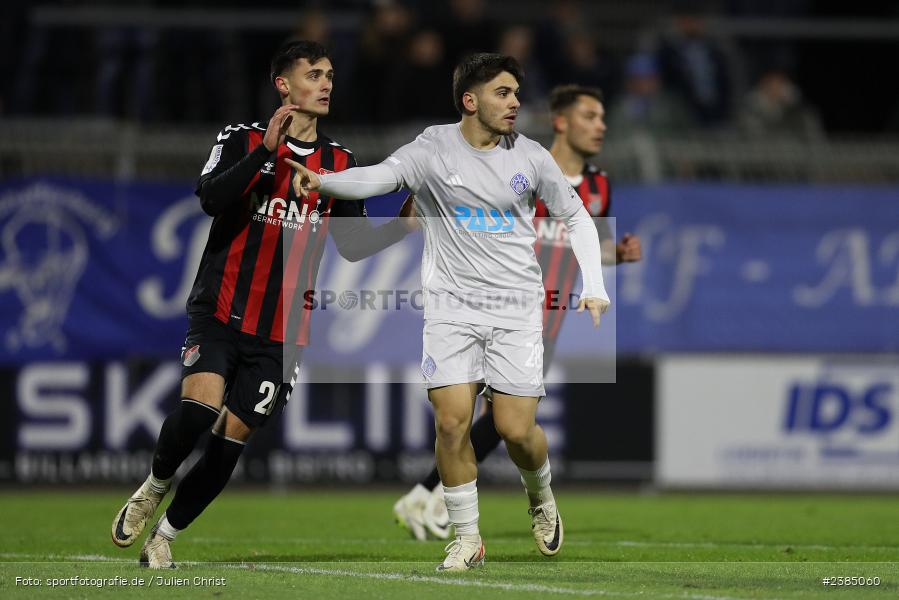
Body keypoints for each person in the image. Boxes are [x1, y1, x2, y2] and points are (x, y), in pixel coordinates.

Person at [286, 53, 611, 572]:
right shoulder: (432, 149)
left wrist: (593, 284)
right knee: (452, 423)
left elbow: (577, 216)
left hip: (515, 310)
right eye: (502, 93)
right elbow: (378, 178)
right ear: (470, 100)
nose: (513, 103)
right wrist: (323, 181)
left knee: (514, 430)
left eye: (515, 93)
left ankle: (541, 496)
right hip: (450, 310)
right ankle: (466, 538)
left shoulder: (528, 156)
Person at [109, 40, 415, 569]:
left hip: (284, 330)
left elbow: (351, 243)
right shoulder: (241, 138)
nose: (326, 84)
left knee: (231, 440)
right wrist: (263, 155)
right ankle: (154, 485)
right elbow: (209, 199)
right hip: (222, 306)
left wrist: (401, 228)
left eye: (330, 75)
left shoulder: (339, 163)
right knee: (198, 408)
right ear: (284, 85)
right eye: (314, 74)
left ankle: (165, 537)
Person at [392, 84, 642, 542]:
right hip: (484, 304)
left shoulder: (599, 185)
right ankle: (434, 498)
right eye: (590, 116)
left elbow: (572, 239)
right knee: (467, 417)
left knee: (508, 423)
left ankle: (431, 495)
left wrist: (613, 256)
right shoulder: (519, 165)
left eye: (603, 117)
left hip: (539, 319)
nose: (601, 126)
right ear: (561, 121)